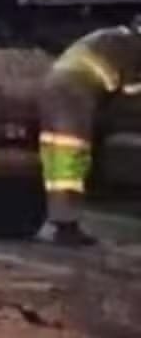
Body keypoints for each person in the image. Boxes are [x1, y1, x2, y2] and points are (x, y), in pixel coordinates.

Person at [37, 17, 141, 246]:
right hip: (74, 91)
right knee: (71, 160)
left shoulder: (112, 37)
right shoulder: (131, 47)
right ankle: (66, 226)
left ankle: (62, 221)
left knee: (59, 160)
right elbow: (131, 91)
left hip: (58, 87)